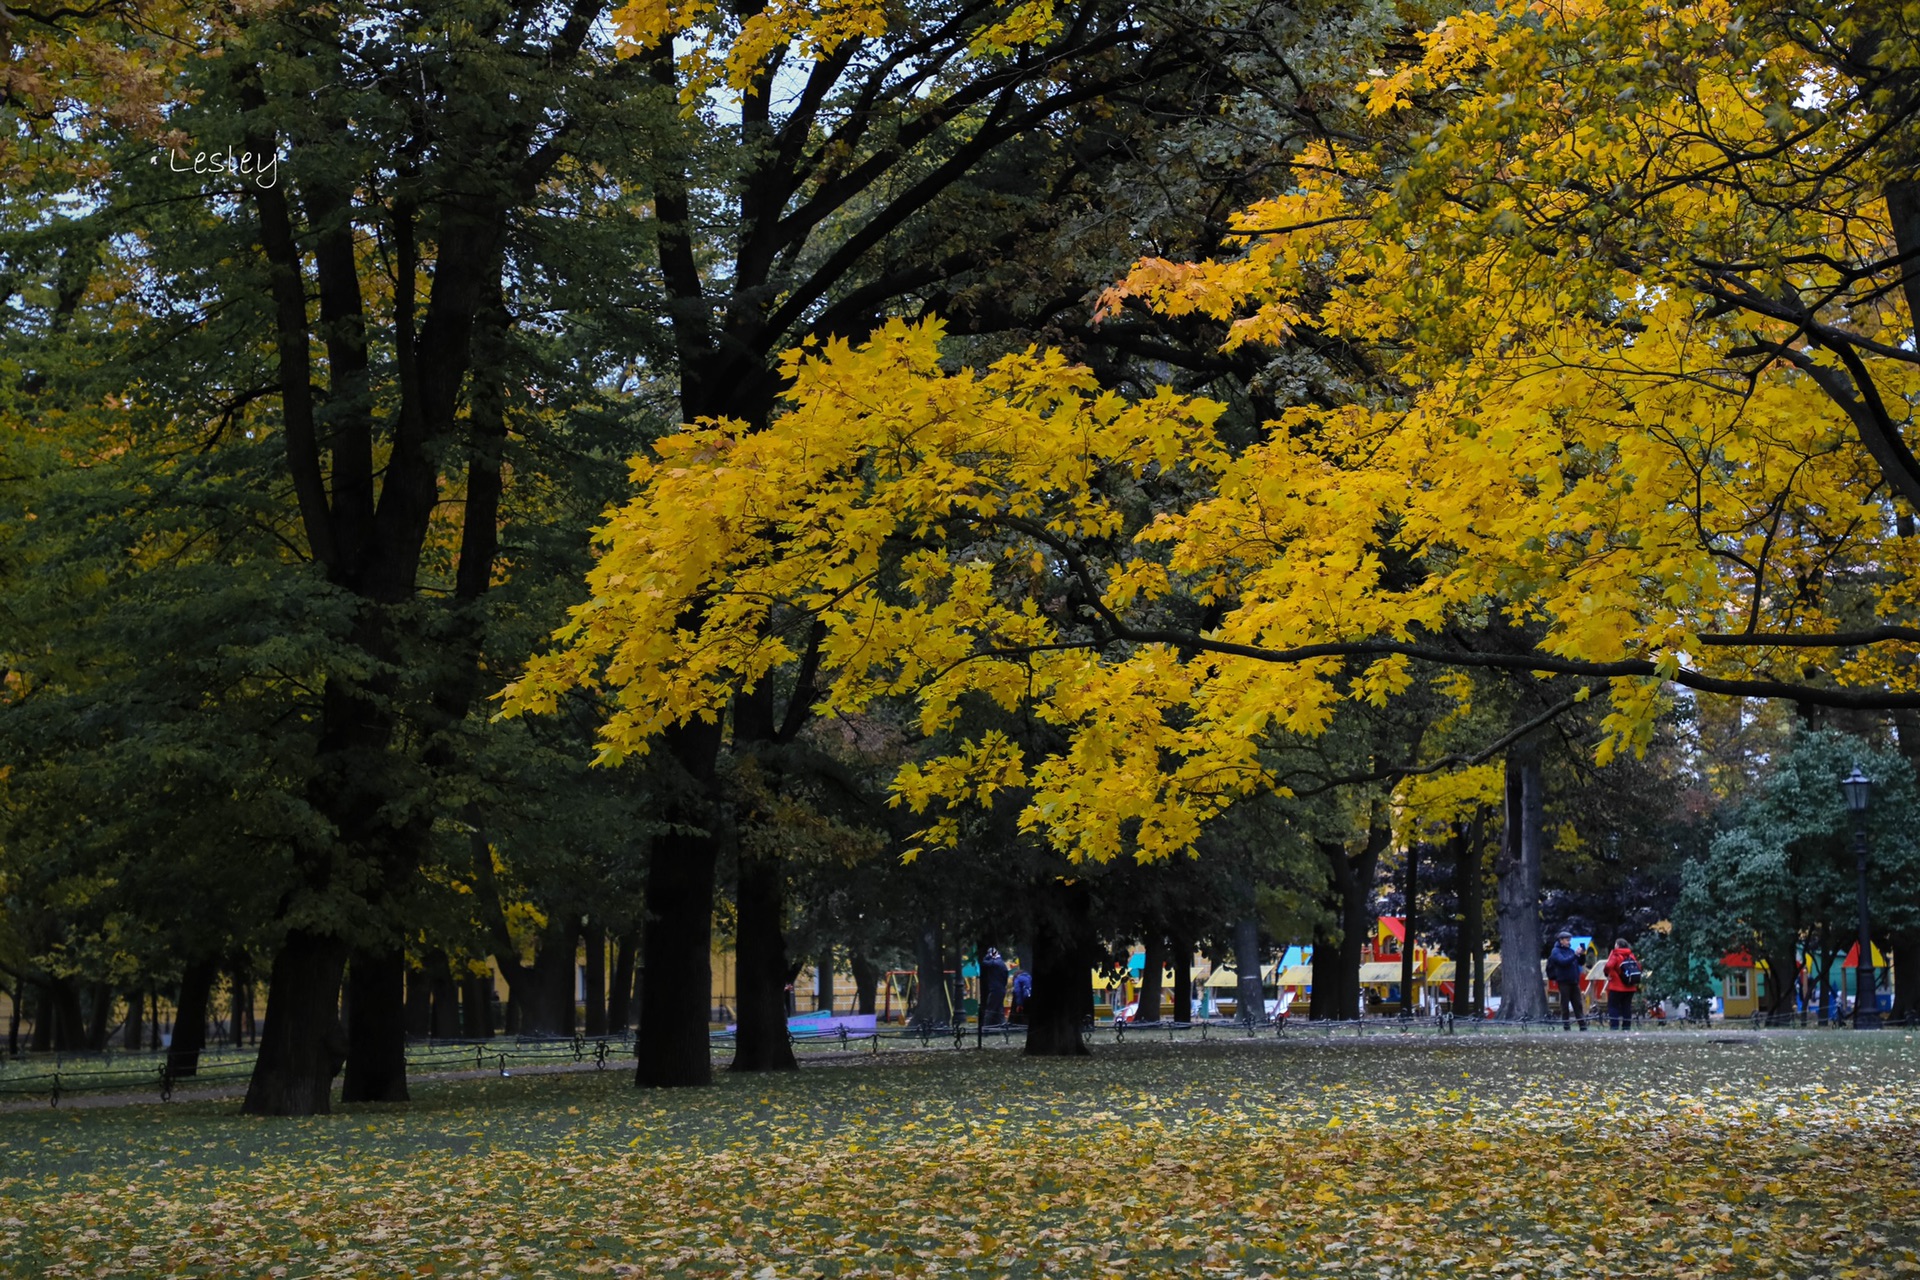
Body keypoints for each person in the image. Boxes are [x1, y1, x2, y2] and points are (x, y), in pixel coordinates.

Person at [1547, 931, 1588, 1030]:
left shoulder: (1570, 950)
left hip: (1574, 981)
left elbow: (1580, 962)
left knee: (1577, 1004)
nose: (1569, 942)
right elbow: (1563, 962)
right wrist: (1575, 954)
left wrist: (1582, 954)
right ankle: (1566, 1025)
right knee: (1565, 1004)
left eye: (1570, 940)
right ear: (1561, 940)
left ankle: (1582, 1025)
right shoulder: (1556, 951)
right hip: (1563, 981)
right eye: (1567, 940)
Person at [1604, 937, 1641, 1030]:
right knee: (1626, 1007)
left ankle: (1614, 1026)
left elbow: (1608, 966)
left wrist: (1606, 973)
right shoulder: (1631, 955)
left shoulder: (1616, 955)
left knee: (1613, 1006)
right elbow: (1639, 967)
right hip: (1630, 987)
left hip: (1616, 987)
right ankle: (1626, 1027)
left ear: (1617, 945)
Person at [979, 948, 1009, 1027]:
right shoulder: (1001, 963)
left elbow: (984, 963)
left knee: (990, 1010)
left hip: (995, 989)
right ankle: (1003, 1027)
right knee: (999, 1010)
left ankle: (985, 1028)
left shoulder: (996, 963)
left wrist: (987, 956)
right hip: (1001, 989)